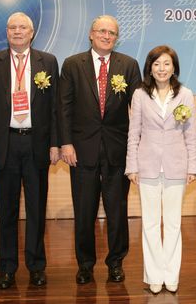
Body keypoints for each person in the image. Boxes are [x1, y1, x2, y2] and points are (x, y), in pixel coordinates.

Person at [58, 15, 142, 284]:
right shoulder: (72, 65)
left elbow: (139, 110)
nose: (107, 36)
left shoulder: (128, 65)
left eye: (112, 33)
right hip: (81, 150)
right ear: (91, 34)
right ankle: (85, 265)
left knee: (117, 210)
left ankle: (116, 262)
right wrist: (66, 143)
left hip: (118, 150)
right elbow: (64, 108)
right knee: (84, 210)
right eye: (102, 31)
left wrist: (138, 149)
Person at [0, 12, 59, 289]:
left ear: (32, 32)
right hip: (7, 144)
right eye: (12, 27)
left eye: (22, 27)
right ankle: (7, 268)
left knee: (37, 209)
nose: (17, 31)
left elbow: (55, 108)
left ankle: (36, 266)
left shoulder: (47, 61)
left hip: (37, 143)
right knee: (7, 210)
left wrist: (55, 144)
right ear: (6, 32)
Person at [125, 45, 196, 294]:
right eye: (157, 64)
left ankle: (171, 274)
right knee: (150, 224)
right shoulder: (140, 95)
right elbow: (133, 133)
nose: (162, 69)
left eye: (166, 63)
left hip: (177, 166)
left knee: (173, 223)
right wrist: (132, 166)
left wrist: (192, 166)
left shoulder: (186, 94)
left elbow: (191, 133)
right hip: (146, 167)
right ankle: (154, 275)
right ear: (150, 67)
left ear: (174, 67)